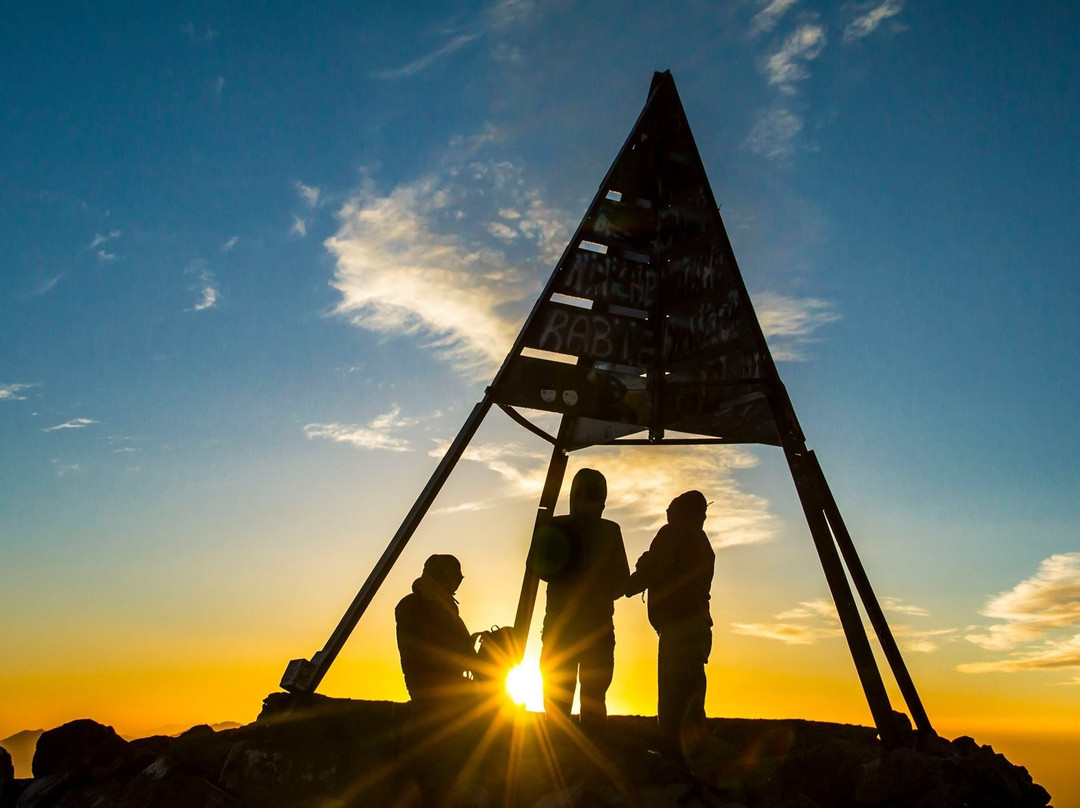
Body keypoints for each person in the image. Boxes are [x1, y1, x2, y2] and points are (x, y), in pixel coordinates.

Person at [528, 468, 630, 733]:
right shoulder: (558, 526)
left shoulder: (608, 530)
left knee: (590, 695)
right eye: (585, 497)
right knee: (560, 694)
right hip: (568, 628)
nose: (590, 504)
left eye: (594, 498)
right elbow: (536, 567)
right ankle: (564, 748)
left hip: (589, 627)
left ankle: (585, 747)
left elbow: (621, 579)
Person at [625, 491, 715, 759]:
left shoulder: (673, 532)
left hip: (679, 628)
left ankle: (673, 757)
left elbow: (654, 567)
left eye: (670, 512)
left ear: (678, 512)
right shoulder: (702, 542)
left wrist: (626, 586)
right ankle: (695, 756)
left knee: (673, 694)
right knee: (692, 695)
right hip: (698, 627)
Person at [395, 554, 477, 703]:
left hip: (448, 684)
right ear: (441, 577)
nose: (455, 587)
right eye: (454, 580)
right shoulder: (413, 606)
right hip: (430, 689)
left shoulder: (445, 606)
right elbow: (426, 652)